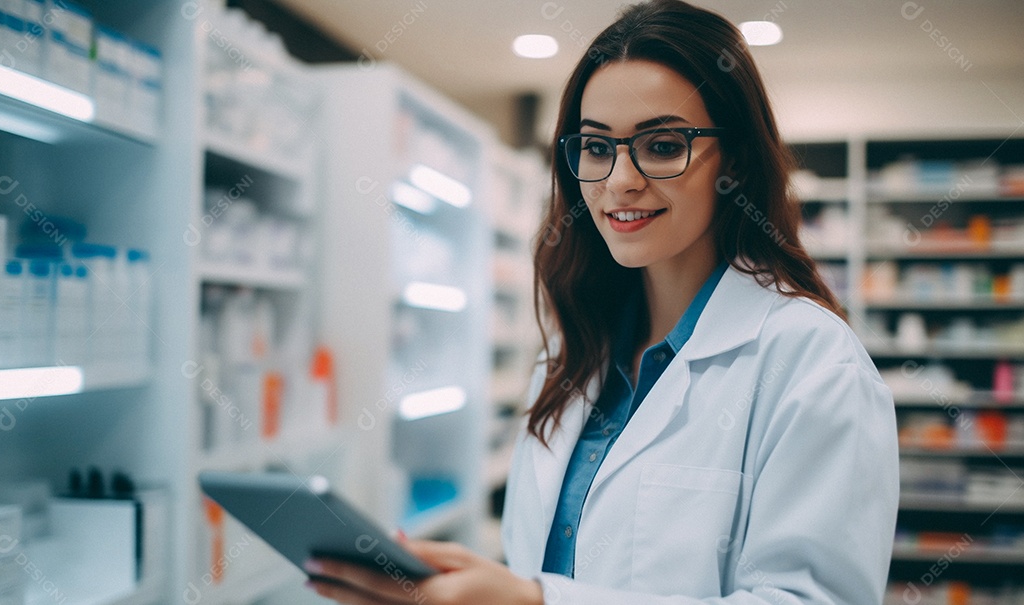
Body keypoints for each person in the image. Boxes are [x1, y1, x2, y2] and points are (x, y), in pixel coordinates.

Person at [304, 1, 899, 603]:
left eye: (663, 145)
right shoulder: (575, 348)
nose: (619, 181)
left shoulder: (812, 362)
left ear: (737, 161)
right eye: (595, 147)